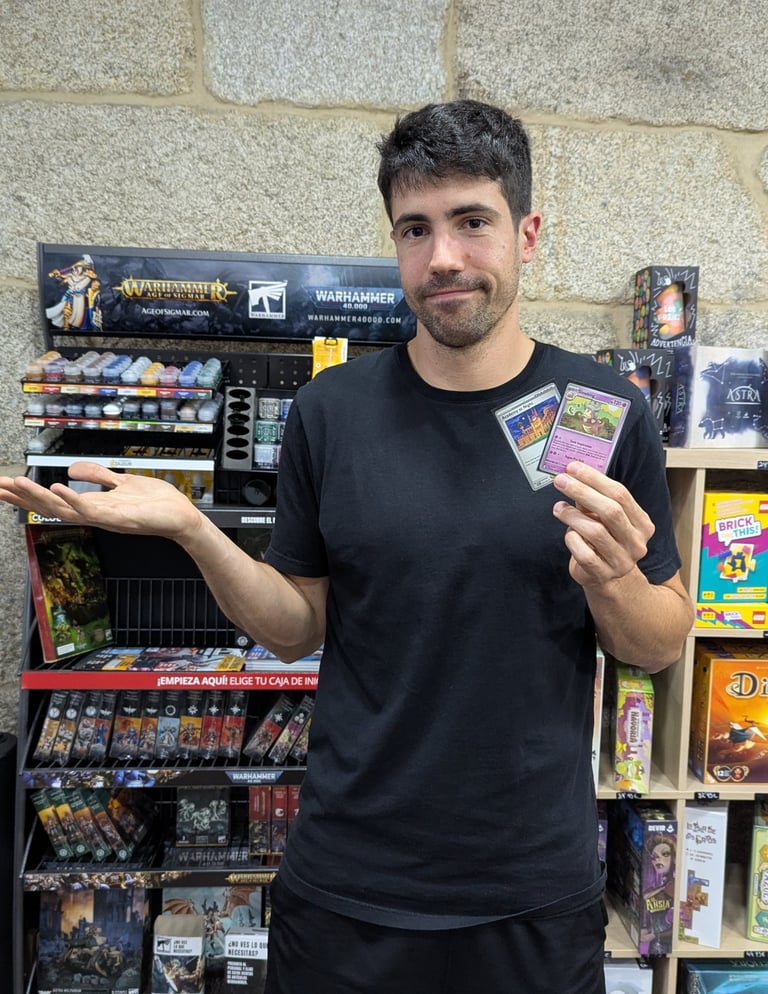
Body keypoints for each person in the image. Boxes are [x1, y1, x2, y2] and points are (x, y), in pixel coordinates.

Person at [0, 100, 693, 993]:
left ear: (527, 233)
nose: (443, 258)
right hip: (349, 886)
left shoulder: (602, 412)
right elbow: (294, 628)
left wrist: (613, 579)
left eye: (471, 222)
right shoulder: (332, 412)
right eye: (415, 229)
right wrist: (193, 530)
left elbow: (657, 643)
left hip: (530, 890)